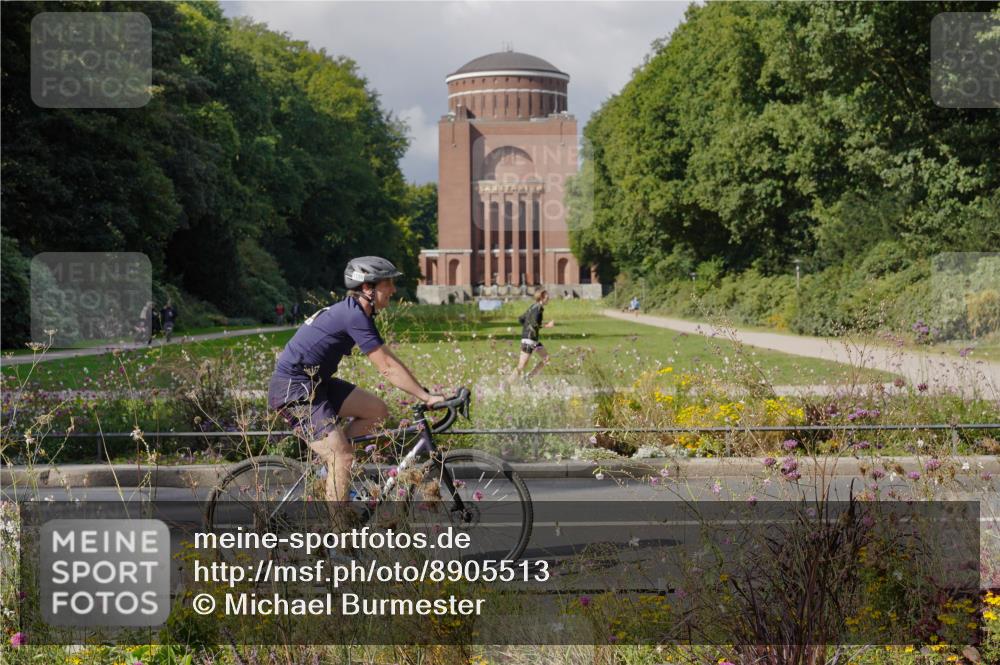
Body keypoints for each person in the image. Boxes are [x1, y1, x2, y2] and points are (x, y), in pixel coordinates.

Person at [267, 256, 444, 508]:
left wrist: (423, 392)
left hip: (316, 384)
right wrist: (426, 398)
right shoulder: (353, 315)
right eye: (388, 284)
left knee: (377, 411)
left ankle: (329, 474)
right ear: (367, 288)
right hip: (294, 389)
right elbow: (387, 369)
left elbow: (388, 357)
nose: (393, 290)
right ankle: (340, 538)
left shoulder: (357, 312)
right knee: (343, 456)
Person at [509, 290, 554, 382]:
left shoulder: (533, 307)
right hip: (529, 340)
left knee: (546, 358)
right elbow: (534, 324)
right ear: (541, 298)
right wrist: (547, 325)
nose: (548, 299)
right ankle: (507, 384)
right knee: (521, 365)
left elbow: (521, 319)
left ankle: (528, 378)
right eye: (547, 298)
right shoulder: (538, 309)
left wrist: (527, 328)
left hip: (533, 340)